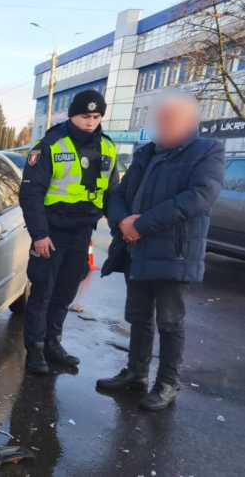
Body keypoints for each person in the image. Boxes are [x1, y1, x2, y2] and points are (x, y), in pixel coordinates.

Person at [97, 90, 225, 411]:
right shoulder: (147, 153)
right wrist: (122, 222)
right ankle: (137, 373)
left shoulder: (207, 151)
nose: (162, 125)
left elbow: (198, 197)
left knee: (170, 322)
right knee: (138, 317)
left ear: (191, 122)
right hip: (136, 250)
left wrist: (142, 224)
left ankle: (167, 383)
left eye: (170, 119)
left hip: (174, 254)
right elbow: (118, 194)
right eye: (160, 119)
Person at [19, 89, 119, 375]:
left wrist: (120, 227)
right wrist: (39, 234)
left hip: (82, 232)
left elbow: (112, 193)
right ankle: (35, 350)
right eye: (85, 116)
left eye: (96, 116)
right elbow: (31, 193)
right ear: (72, 115)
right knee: (43, 292)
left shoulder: (108, 147)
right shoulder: (50, 144)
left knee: (65, 292)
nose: (90, 122)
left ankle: (53, 343)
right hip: (51, 231)